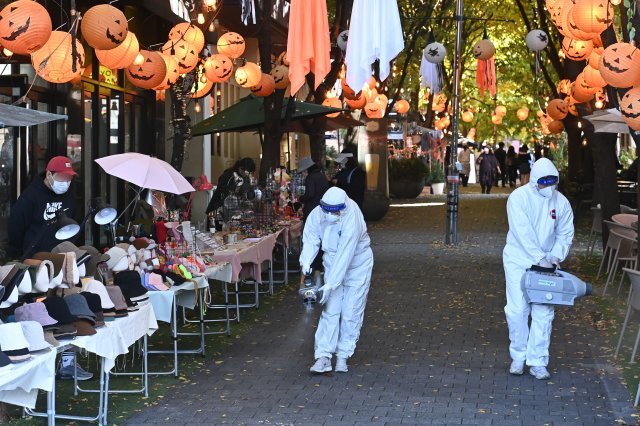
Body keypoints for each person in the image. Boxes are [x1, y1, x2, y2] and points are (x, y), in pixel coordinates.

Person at [503, 158, 574, 380]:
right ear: (535, 182)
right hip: (518, 259)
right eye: (544, 182)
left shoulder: (561, 202)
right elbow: (521, 231)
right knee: (517, 310)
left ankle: (538, 360)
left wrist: (555, 256)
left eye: (553, 182)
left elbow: (565, 233)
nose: (548, 187)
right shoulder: (518, 198)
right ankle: (519, 356)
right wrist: (539, 257)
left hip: (547, 266)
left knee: (543, 312)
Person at [299, 187, 374, 374]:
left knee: (351, 310)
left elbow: (345, 254)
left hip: (358, 265)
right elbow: (310, 239)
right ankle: (323, 356)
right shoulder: (317, 214)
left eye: (336, 212)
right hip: (332, 263)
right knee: (331, 310)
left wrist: (330, 284)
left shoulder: (352, 215)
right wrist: (306, 263)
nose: (332, 215)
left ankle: (343, 355)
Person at [8, 156, 77, 258]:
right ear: (49, 174)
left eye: (68, 178)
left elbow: (73, 221)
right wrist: (19, 254)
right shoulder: (31, 196)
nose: (66, 183)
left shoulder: (69, 195)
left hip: (63, 254)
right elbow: (16, 227)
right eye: (62, 177)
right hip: (35, 256)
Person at [298, 157, 329, 221]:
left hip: (312, 209)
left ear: (306, 169)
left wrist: (301, 198)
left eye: (302, 171)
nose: (303, 174)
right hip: (322, 208)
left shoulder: (310, 177)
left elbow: (310, 194)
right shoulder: (321, 175)